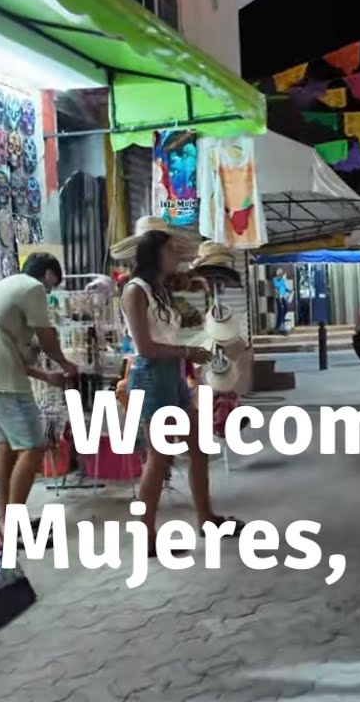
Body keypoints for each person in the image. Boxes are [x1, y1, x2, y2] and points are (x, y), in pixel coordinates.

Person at [121, 230, 241, 555]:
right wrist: (187, 353)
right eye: (171, 250)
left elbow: (171, 330)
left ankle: (206, 518)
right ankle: (146, 537)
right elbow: (144, 347)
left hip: (171, 374)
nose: (177, 256)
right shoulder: (136, 291)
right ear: (154, 254)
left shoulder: (160, 289)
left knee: (198, 446)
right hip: (151, 377)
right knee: (159, 458)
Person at [0, 253, 79, 524]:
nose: (50, 292)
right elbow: (46, 336)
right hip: (6, 382)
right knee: (33, 448)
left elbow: (6, 350)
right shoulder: (33, 288)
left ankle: (6, 515)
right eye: (52, 285)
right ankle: (11, 523)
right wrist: (65, 363)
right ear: (49, 275)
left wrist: (45, 375)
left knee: (5, 445)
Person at [273, 268, 291, 334]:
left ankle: (281, 321)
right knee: (280, 310)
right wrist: (279, 296)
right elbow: (276, 288)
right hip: (278, 297)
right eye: (279, 274)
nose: (280, 276)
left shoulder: (282, 280)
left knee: (286, 309)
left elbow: (284, 287)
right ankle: (278, 325)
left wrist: (289, 290)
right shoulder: (275, 280)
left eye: (281, 274)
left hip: (283, 296)